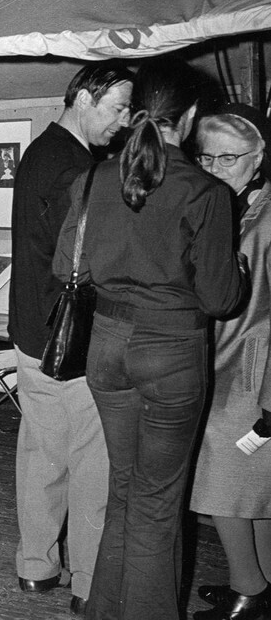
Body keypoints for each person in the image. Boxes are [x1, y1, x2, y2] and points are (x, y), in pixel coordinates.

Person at [52, 56, 247, 620]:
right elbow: (221, 298)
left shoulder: (92, 178)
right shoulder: (205, 191)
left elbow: (67, 264)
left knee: (125, 489)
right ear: (187, 118)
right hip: (171, 353)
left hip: (107, 348)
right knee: (159, 504)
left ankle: (104, 610)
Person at [8, 61, 134, 614]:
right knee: (90, 461)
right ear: (84, 97)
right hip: (74, 339)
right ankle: (88, 579)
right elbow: (88, 262)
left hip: (33, 330)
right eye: (118, 107)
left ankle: (36, 566)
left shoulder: (40, 153)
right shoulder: (79, 167)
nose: (124, 121)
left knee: (41, 454)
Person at [189, 106, 271, 620]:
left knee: (221, 479)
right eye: (208, 156)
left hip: (252, 371)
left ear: (258, 156)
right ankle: (261, 580)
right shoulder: (236, 203)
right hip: (227, 360)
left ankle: (250, 590)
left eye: (230, 157)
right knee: (255, 487)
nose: (217, 166)